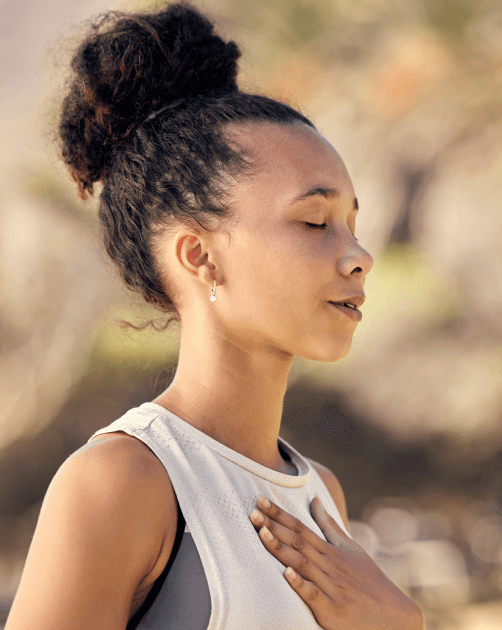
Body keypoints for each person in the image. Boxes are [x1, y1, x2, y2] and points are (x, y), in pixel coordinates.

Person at [5, 2, 423, 629]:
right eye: (314, 222)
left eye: (352, 225)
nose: (358, 255)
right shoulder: (123, 481)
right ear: (199, 255)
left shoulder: (320, 494)